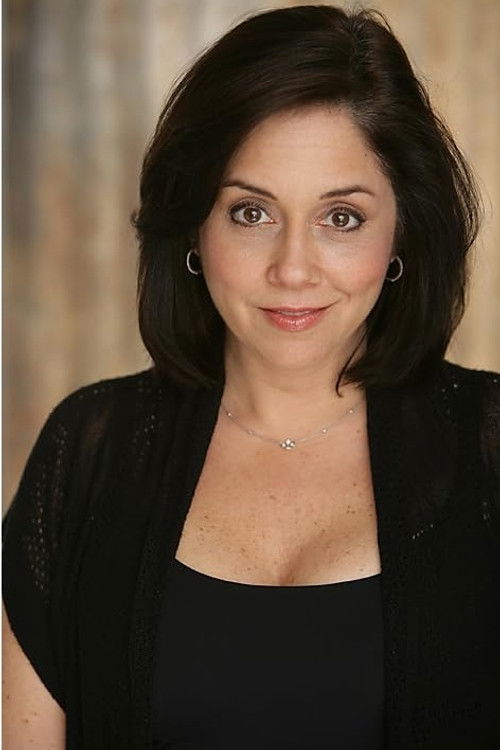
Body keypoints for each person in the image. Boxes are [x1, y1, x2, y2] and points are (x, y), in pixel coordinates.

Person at [3, 3, 499, 748]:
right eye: (250, 213)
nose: (292, 269)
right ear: (194, 226)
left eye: (341, 218)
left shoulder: (490, 449)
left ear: (402, 232)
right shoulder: (88, 452)